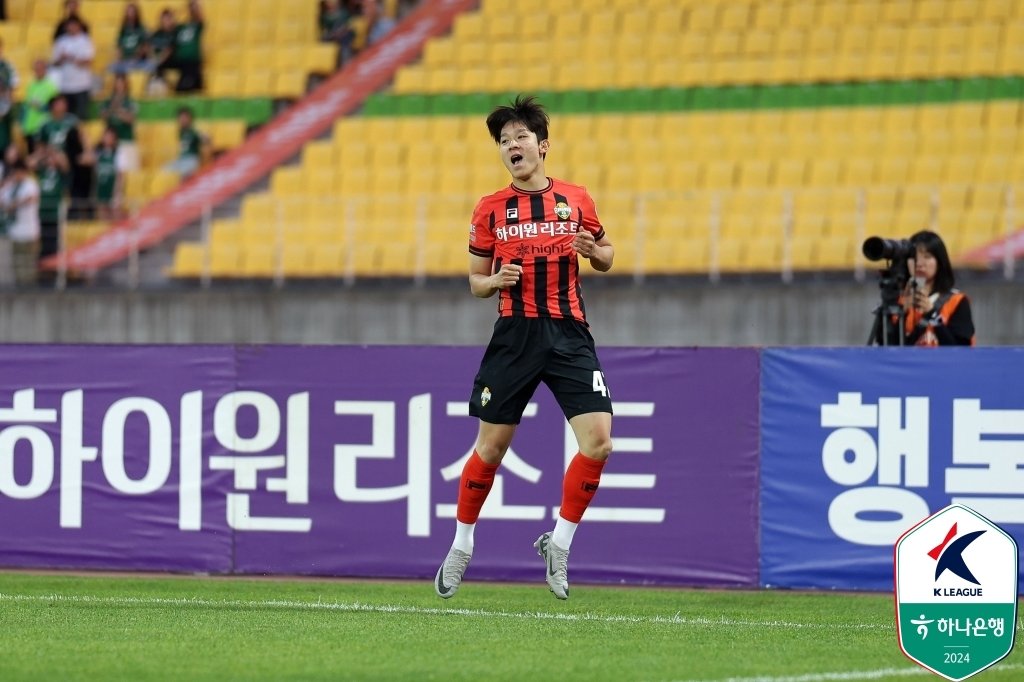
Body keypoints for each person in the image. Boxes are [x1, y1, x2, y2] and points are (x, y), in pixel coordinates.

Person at [433, 95, 615, 601]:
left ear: (543, 146)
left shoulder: (576, 199)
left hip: (569, 332)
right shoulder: (490, 209)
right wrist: (494, 281)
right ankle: (462, 544)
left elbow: (607, 253)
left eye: (520, 137)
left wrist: (593, 252)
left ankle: (559, 544)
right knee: (490, 449)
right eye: (504, 141)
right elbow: (475, 281)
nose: (511, 146)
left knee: (599, 442)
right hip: (515, 336)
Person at [893, 230, 975, 347]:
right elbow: (886, 349)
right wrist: (903, 313)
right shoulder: (896, 301)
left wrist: (932, 314)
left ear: (940, 261)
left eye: (927, 257)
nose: (919, 263)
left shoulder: (956, 301)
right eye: (914, 257)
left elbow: (961, 349)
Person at [0, 156, 41, 286]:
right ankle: (20, 287)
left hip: (29, 230)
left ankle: (29, 286)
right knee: (17, 262)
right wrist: (6, 182)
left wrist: (13, 205)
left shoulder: (30, 184)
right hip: (14, 230)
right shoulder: (10, 186)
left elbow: (31, 198)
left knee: (28, 262)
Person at [28, 144, 69, 264]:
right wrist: (41, 154)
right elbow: (29, 164)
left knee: (53, 240)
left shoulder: (60, 174)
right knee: (41, 239)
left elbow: (65, 164)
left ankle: (52, 264)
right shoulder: (42, 172)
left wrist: (54, 152)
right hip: (41, 210)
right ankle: (43, 264)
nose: (50, 160)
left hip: (54, 211)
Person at [50, 16, 95, 121]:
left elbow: (88, 61)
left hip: (81, 85)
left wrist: (71, 58)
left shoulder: (85, 41)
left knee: (81, 117)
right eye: (69, 25)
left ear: (78, 26)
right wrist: (62, 58)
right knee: (65, 118)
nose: (71, 28)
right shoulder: (61, 41)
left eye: (74, 25)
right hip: (65, 86)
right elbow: (54, 63)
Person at [100, 74, 139, 173]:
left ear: (125, 85)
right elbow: (103, 117)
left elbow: (131, 119)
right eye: (117, 83)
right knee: (112, 172)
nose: (119, 86)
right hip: (111, 144)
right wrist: (113, 108)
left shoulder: (130, 102)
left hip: (126, 140)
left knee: (129, 171)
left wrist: (118, 111)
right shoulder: (108, 102)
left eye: (121, 83)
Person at [21, 59, 60, 154]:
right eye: (36, 69)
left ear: (45, 70)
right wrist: (23, 125)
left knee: (42, 155)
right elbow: (26, 106)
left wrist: (41, 107)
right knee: (32, 155)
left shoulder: (51, 87)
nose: (38, 71)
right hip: (30, 127)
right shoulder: (31, 85)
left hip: (43, 127)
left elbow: (55, 108)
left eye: (40, 69)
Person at [82, 127, 121, 220]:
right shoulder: (99, 153)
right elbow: (86, 160)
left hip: (111, 187)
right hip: (100, 188)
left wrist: (117, 193)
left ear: (115, 139)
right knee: (102, 217)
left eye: (110, 137)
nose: (107, 139)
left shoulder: (118, 154)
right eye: (106, 136)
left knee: (114, 217)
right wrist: (87, 143)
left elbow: (120, 175)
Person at [170, 0, 204, 92]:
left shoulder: (196, 26)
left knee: (192, 86)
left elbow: (200, 17)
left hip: (193, 62)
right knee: (183, 87)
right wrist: (179, 12)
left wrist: (195, 5)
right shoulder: (180, 27)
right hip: (181, 62)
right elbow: (170, 26)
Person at [163, 106, 206, 178]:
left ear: (190, 119)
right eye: (180, 118)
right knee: (165, 170)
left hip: (191, 159)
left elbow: (204, 138)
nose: (182, 120)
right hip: (181, 159)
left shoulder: (193, 131)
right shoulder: (181, 132)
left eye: (184, 118)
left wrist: (203, 137)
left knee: (184, 174)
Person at [110, 2, 152, 75]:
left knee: (151, 66)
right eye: (128, 12)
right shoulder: (123, 29)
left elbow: (145, 47)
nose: (130, 14)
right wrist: (119, 58)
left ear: (136, 13)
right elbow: (118, 48)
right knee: (111, 68)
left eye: (132, 12)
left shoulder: (142, 29)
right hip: (124, 61)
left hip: (139, 62)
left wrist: (137, 57)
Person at [0, 37, 17, 154]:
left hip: (4, 105)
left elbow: (13, 86)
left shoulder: (8, 66)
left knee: (6, 139)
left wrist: (7, 99)